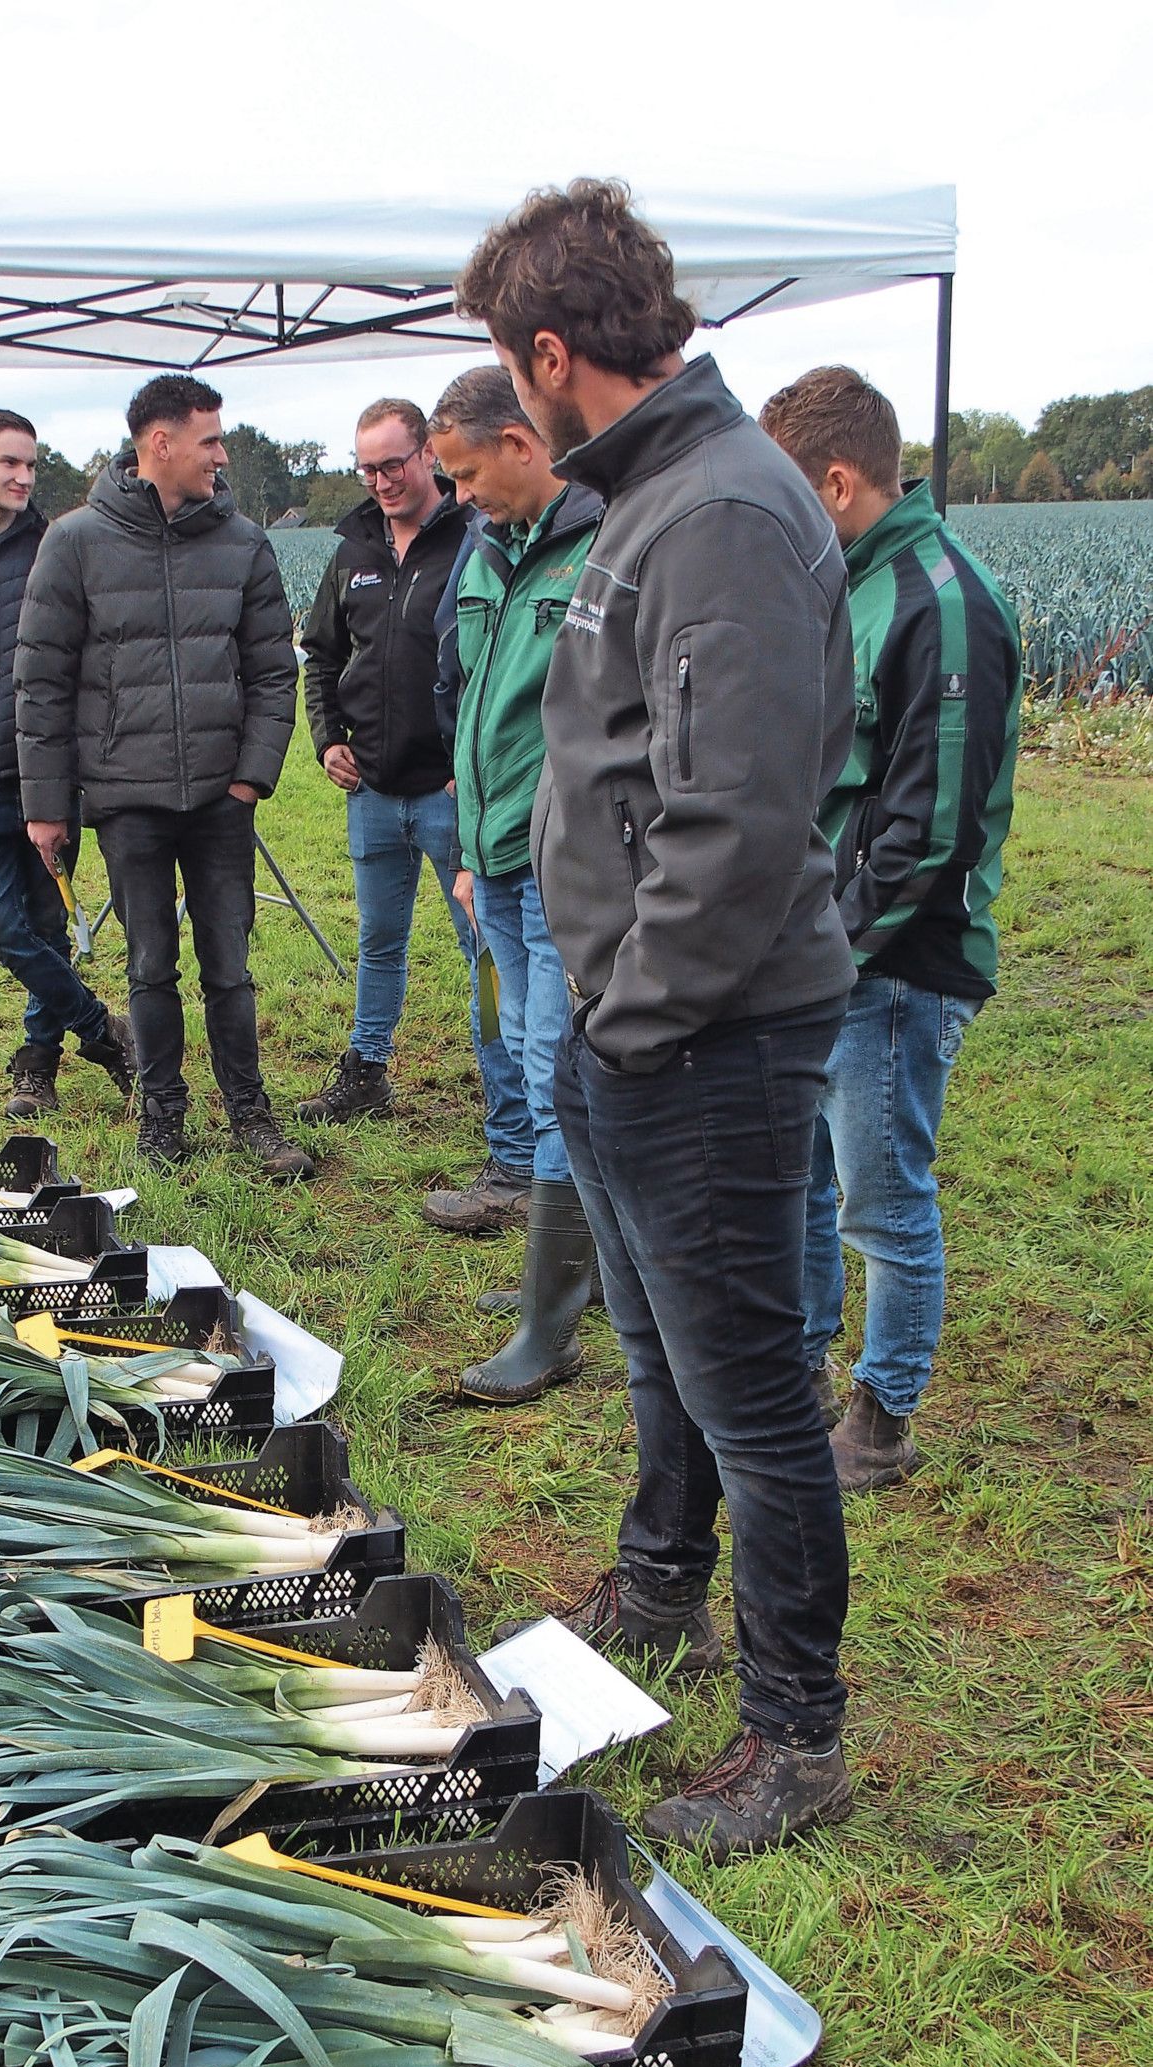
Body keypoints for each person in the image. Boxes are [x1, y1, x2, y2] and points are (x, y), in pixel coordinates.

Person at [456, 179, 858, 1860]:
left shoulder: (720, 513)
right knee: (658, 1348)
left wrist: (629, 1021)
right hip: (629, 1026)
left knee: (749, 1381)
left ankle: (793, 1735)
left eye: (505, 365)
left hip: (701, 1037)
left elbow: (736, 821)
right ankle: (656, 1586)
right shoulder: (649, 495)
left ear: (551, 356)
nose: (509, 391)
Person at [760, 366, 1022, 1491]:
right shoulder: (851, 583)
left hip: (897, 965)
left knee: (883, 1195)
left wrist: (837, 950)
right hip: (828, 951)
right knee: (812, 1176)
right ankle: (808, 1368)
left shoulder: (940, 602)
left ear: (834, 479)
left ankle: (883, 1412)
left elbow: (930, 830)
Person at [15, 374, 309, 1179]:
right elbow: (41, 682)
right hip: (126, 797)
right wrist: (47, 805)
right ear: (162, 444)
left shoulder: (243, 543)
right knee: (150, 965)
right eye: (210, 440)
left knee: (230, 965)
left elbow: (273, 672)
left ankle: (250, 1114)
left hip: (221, 798)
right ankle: (163, 1116)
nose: (222, 455)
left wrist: (250, 778)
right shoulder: (75, 542)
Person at [299, 398, 537, 1232]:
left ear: (430, 459)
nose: (382, 480)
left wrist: (464, 772)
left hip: (450, 798)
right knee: (378, 942)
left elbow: (487, 671)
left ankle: (515, 1137)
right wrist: (329, 738)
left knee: (490, 957)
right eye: (367, 467)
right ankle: (366, 1069)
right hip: (372, 792)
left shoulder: (476, 538)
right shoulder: (353, 551)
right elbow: (321, 655)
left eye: (395, 463)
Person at [427, 366, 605, 1402]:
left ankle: (555, 1320)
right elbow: (468, 694)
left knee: (555, 1079)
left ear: (522, 442)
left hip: (560, 864)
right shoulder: (490, 551)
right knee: (535, 1066)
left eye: (464, 474)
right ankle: (575, 1279)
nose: (459, 498)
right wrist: (464, 844)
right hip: (489, 855)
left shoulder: (600, 548)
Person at [0, 410, 134, 1123]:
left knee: (47, 926)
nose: (22, 477)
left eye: (31, 465)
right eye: (8, 462)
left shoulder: (56, 548)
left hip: (50, 771)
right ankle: (102, 1027)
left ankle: (36, 1068)